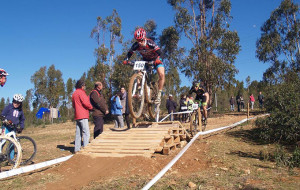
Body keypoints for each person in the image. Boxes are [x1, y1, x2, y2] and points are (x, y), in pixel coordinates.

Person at [123, 28, 165, 104]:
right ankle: (140, 91)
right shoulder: (136, 45)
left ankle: (159, 94)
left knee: (161, 74)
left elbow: (161, 52)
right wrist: (126, 60)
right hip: (145, 60)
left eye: (141, 40)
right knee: (138, 72)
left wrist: (159, 59)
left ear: (144, 38)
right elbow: (130, 53)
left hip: (156, 59)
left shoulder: (150, 43)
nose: (139, 43)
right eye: (137, 40)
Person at [72, 79, 93, 153]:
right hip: (83, 115)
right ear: (82, 86)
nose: (84, 87)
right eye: (84, 86)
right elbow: (86, 102)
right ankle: (86, 149)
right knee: (86, 132)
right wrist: (91, 108)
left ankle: (77, 149)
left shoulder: (74, 93)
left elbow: (74, 105)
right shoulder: (81, 93)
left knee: (78, 133)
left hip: (77, 115)